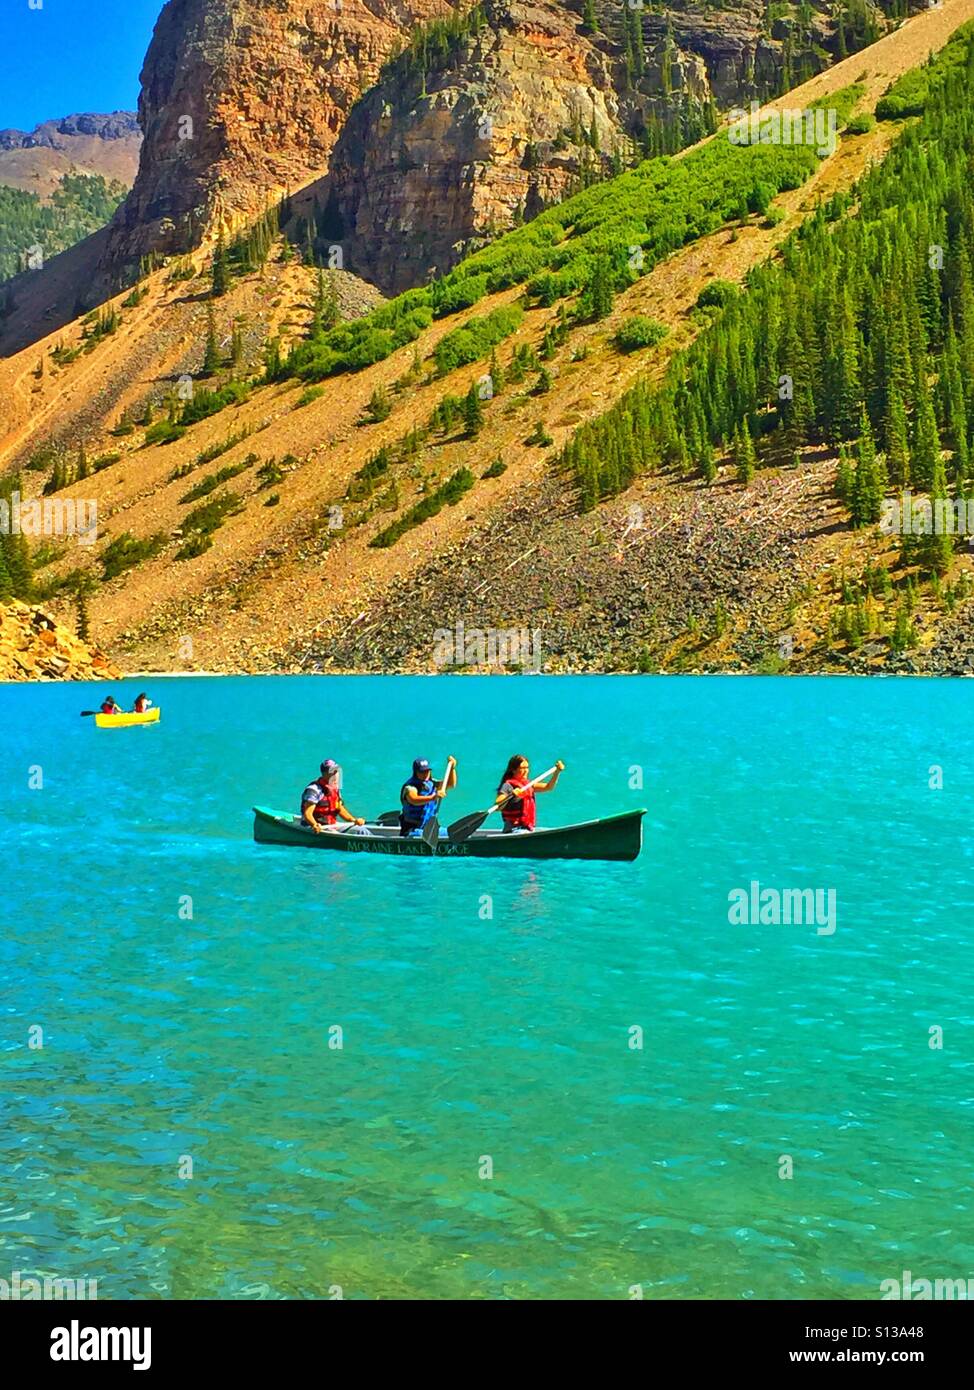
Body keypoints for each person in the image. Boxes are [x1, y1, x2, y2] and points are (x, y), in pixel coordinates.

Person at [495, 755, 564, 833]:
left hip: (527, 827)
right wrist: (511, 794)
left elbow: (548, 787)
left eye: (527, 768)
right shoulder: (507, 786)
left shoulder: (529, 785)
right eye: (522, 768)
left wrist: (557, 772)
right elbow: (497, 806)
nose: (526, 771)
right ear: (513, 770)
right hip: (513, 828)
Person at [300, 759, 366, 834]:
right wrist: (314, 824)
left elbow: (340, 809)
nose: (335, 773)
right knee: (335, 833)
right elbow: (307, 813)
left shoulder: (335, 788)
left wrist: (354, 820)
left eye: (336, 771)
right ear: (324, 773)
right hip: (316, 827)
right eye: (332, 771)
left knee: (361, 830)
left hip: (330, 825)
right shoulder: (314, 790)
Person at [399, 756, 457, 837]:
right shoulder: (410, 787)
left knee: (449, 833)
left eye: (427, 771)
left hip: (429, 828)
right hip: (412, 830)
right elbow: (414, 799)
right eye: (422, 772)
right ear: (416, 772)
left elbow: (450, 784)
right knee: (419, 834)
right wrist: (433, 797)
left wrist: (452, 768)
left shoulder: (432, 784)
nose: (425, 774)